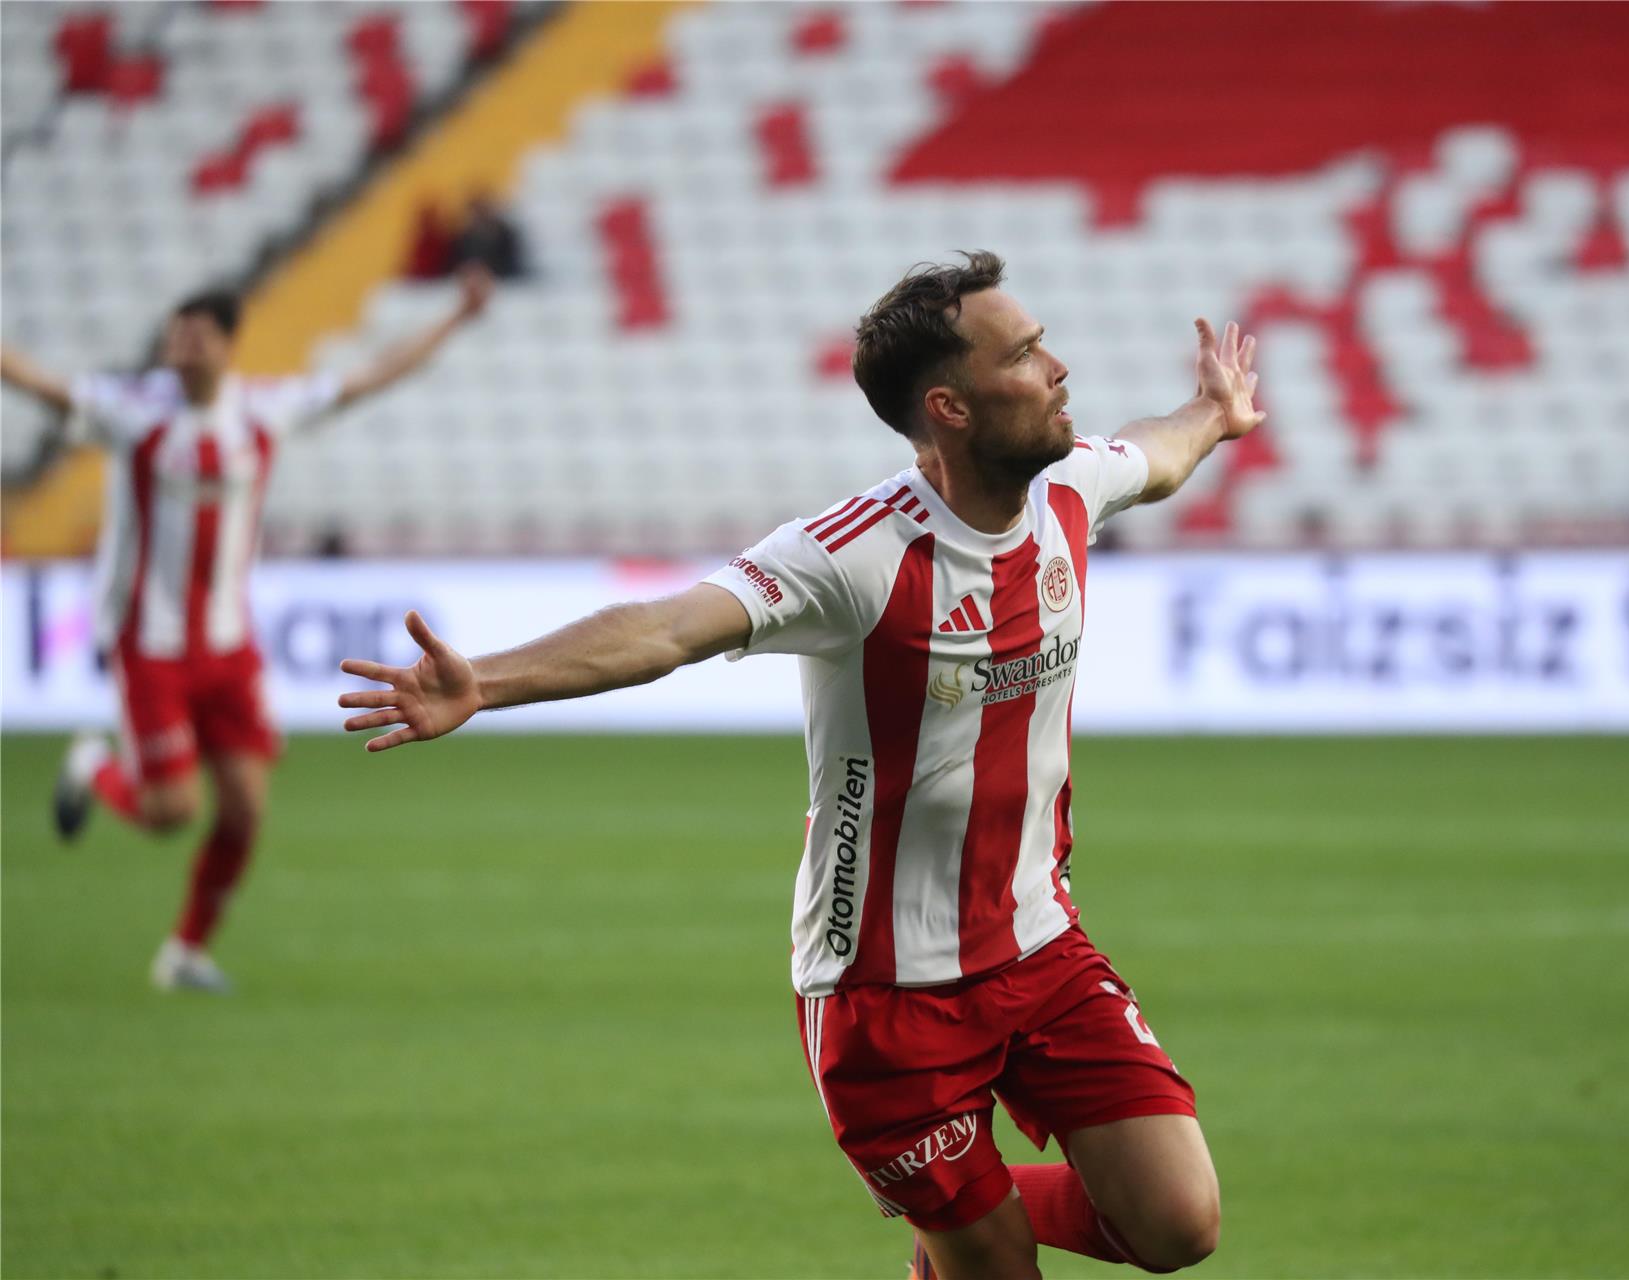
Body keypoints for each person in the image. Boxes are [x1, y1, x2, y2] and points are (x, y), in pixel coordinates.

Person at [334, 251, 1262, 1278]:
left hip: (1038, 943)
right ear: (950, 407)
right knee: (999, 1268)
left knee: (1180, 1222)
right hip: (883, 996)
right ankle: (966, 1228)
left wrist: (1212, 412)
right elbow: (667, 627)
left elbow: (1156, 453)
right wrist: (486, 682)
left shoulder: (1071, 489)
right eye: (1024, 354)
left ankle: (959, 1223)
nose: (1058, 368)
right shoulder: (854, 554)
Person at [0, 265, 494, 993]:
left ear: (228, 345)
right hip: (150, 645)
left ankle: (185, 953)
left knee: (245, 809)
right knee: (172, 811)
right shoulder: (134, 411)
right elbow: (44, 387)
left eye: (197, 337)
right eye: (176, 336)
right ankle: (93, 765)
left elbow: (369, 379)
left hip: (230, 645)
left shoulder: (263, 411)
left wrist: (454, 317)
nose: (182, 348)